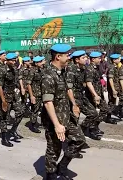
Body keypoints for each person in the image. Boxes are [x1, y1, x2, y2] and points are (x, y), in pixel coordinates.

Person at [41, 44, 85, 180]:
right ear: (58, 56)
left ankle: (62, 166)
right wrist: (57, 125)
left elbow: (67, 90)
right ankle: (50, 174)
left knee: (79, 140)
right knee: (54, 148)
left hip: (67, 116)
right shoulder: (48, 74)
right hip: (54, 119)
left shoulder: (63, 71)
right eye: (67, 55)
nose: (69, 58)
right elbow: (48, 102)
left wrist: (74, 105)